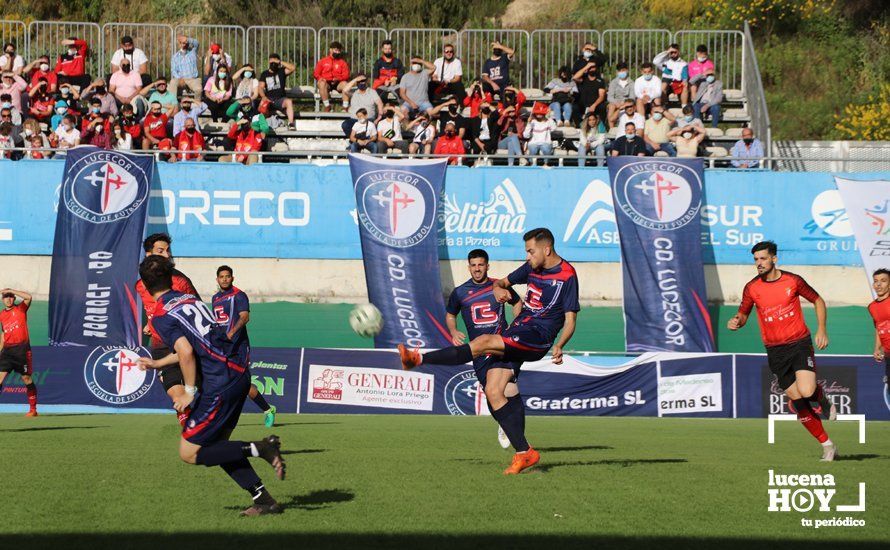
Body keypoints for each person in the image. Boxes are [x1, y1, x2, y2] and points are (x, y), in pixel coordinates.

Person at [399, 228, 579, 475]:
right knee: (494, 392)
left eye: (530, 250)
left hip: (538, 337)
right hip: (521, 330)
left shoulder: (568, 275)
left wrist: (560, 344)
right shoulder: (530, 269)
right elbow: (504, 282)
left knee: (483, 342)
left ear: (546, 249)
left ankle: (417, 359)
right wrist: (499, 290)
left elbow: (570, 320)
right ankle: (524, 453)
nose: (527, 256)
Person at [135, 256, 285, 516]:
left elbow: (185, 352)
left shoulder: (160, 315)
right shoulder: (191, 300)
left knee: (190, 451)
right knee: (218, 447)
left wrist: (190, 392)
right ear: (171, 278)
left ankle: (261, 448)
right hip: (239, 374)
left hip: (219, 382)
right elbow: (192, 346)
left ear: (146, 287)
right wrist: (158, 363)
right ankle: (263, 499)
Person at [727, 241, 837, 461]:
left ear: (774, 259)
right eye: (756, 259)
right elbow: (744, 313)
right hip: (775, 350)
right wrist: (737, 320)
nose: (759, 263)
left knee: (806, 391)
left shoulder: (793, 280)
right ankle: (827, 445)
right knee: (797, 400)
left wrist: (822, 329)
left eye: (763, 258)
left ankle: (820, 397)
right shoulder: (752, 287)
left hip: (798, 343)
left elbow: (818, 300)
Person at [445, 249, 522, 449]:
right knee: (491, 392)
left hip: (502, 345)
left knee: (510, 388)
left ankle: (519, 440)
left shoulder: (498, 286)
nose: (477, 269)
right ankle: (504, 423)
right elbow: (450, 314)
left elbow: (517, 302)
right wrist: (453, 331)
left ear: (488, 266)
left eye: (481, 265)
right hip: (479, 352)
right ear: (469, 267)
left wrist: (517, 325)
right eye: (474, 265)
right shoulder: (460, 292)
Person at [136, 233, 202, 426]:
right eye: (160, 251)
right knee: (175, 391)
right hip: (160, 344)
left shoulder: (181, 281)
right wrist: (151, 322)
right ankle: (189, 423)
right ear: (148, 254)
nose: (167, 255)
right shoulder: (140, 284)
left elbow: (195, 308)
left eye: (168, 251)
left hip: (184, 341)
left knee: (200, 391)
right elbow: (155, 308)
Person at [212, 265, 277, 428]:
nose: (225, 279)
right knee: (220, 382)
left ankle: (268, 409)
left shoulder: (239, 295)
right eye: (222, 276)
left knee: (243, 385)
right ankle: (219, 417)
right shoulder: (215, 298)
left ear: (232, 278)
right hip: (222, 347)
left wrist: (231, 333)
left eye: (228, 276)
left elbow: (245, 317)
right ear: (217, 279)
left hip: (238, 347)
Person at [0, 289, 37, 417]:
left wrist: (10, 289)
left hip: (22, 350)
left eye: (10, 297)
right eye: (6, 297)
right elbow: (3, 334)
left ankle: (33, 409)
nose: (8, 299)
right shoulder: (2, 315)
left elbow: (28, 297)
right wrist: (0, 351)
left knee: (26, 378)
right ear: (2, 300)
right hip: (7, 351)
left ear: (14, 298)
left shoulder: (20, 309)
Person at [259, 54, 296, 129]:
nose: (273, 63)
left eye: (275, 62)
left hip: (280, 99)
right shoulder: (265, 73)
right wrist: (263, 97)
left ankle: (291, 124)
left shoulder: (281, 71)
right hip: (269, 99)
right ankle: (263, 125)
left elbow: (293, 68)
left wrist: (279, 62)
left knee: (289, 101)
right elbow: (260, 87)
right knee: (262, 104)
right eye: (271, 61)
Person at [867, 269, 890, 385]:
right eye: (876, 281)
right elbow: (878, 328)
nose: (879, 284)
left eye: (883, 281)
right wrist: (877, 348)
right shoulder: (872, 307)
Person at [314, 42, 350, 112]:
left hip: (338, 83)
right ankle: (327, 106)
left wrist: (338, 79)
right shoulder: (322, 61)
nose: (337, 52)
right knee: (321, 83)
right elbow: (316, 73)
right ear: (330, 50)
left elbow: (346, 75)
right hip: (326, 83)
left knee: (346, 84)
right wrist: (321, 79)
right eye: (335, 50)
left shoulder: (342, 62)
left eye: (339, 51)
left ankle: (345, 107)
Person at [573, 59, 606, 124]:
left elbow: (601, 96)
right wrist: (587, 66)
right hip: (583, 104)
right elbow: (575, 77)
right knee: (575, 107)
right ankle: (578, 125)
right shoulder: (583, 79)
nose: (591, 69)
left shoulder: (600, 81)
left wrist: (594, 105)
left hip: (595, 104)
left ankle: (602, 126)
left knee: (602, 107)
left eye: (593, 67)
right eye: (590, 68)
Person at [606, 61, 634, 128]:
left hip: (626, 102)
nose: (622, 72)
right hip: (615, 103)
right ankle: (611, 129)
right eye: (620, 70)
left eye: (623, 70)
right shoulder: (613, 82)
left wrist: (624, 103)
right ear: (617, 72)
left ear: (627, 70)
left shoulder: (632, 83)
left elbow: (632, 97)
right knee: (611, 106)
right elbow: (610, 97)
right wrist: (616, 103)